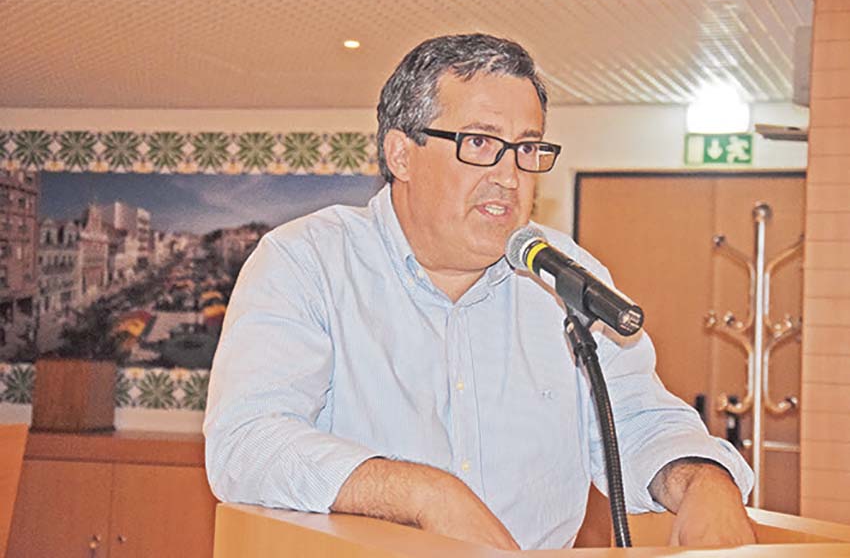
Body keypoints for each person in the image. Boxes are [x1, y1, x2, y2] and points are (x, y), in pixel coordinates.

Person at [204, 33, 755, 550]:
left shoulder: (563, 276)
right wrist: (424, 495)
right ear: (401, 154)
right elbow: (247, 442)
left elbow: (637, 420)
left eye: (527, 148)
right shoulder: (307, 262)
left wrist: (706, 483)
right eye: (480, 142)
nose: (510, 177)